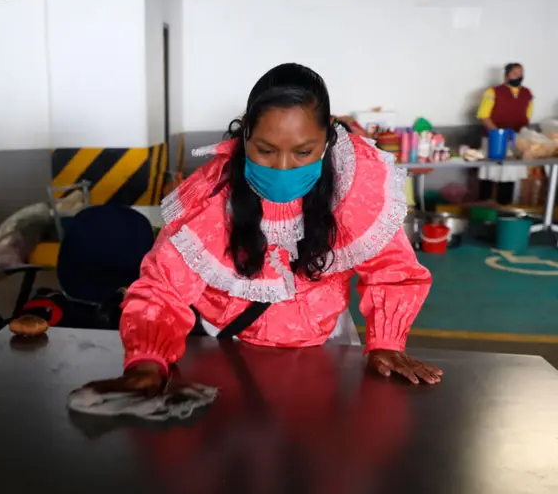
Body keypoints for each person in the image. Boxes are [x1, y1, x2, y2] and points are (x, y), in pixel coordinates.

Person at [93, 63, 440, 393]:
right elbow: (163, 288)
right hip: (225, 353)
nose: (283, 167)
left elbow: (392, 272)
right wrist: (148, 360)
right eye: (265, 150)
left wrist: (386, 342)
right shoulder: (212, 197)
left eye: (303, 151)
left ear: (328, 135)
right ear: (246, 132)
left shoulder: (356, 186)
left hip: (324, 355)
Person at [476, 62, 534, 204]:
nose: (518, 76)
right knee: (489, 175)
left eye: (521, 73)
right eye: (515, 73)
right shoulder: (493, 92)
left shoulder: (527, 94)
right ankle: (484, 210)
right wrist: (498, 134)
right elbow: (483, 115)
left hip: (515, 140)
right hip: (493, 140)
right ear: (507, 75)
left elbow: (527, 116)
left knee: (509, 175)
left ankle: (504, 209)